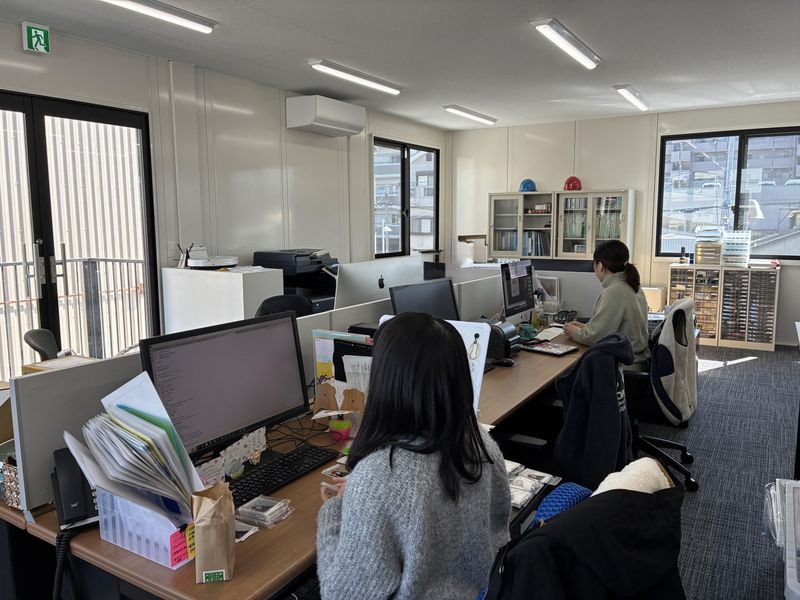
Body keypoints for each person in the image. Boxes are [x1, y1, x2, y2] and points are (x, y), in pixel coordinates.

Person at [316, 312, 511, 600]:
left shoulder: (377, 478)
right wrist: (364, 500)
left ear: (385, 381)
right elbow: (499, 531)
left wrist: (334, 513)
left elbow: (341, 595)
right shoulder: (481, 444)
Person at [563, 240, 650, 370]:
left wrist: (575, 333)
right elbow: (613, 328)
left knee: (567, 373)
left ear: (600, 266)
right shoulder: (632, 285)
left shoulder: (615, 291)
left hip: (624, 367)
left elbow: (594, 338)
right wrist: (585, 327)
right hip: (637, 361)